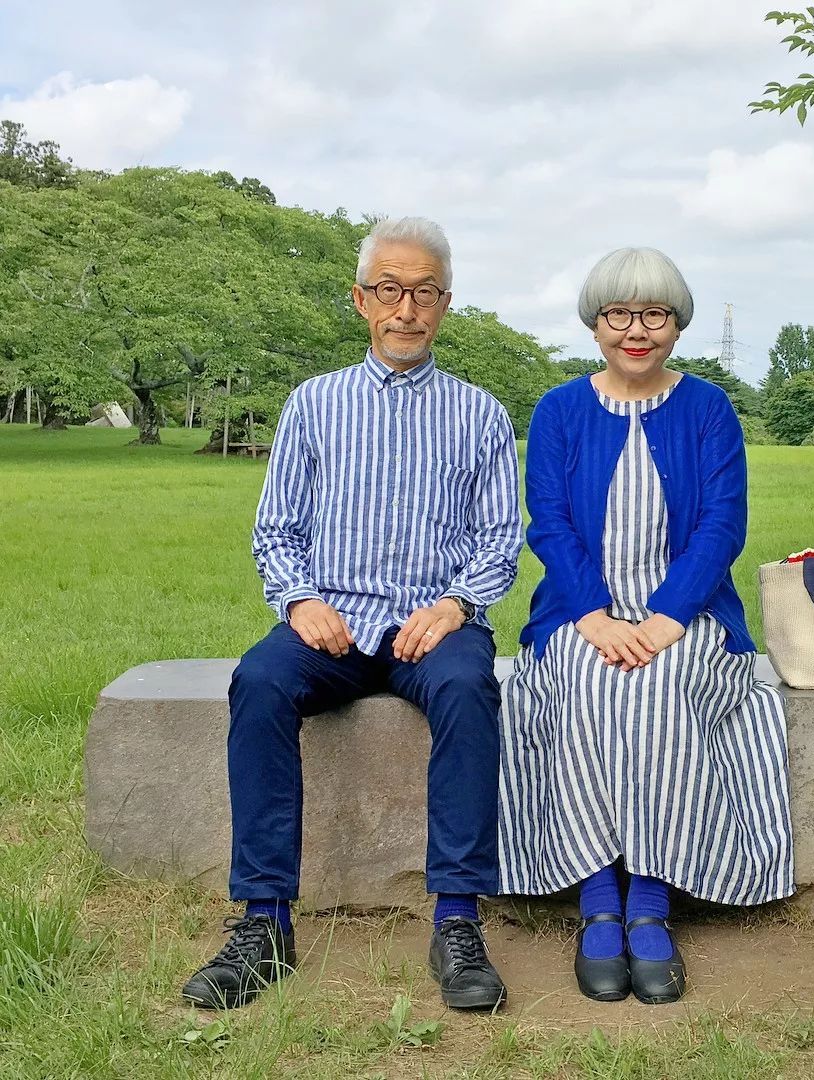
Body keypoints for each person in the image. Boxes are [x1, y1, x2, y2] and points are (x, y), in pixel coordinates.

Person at [181, 217, 523, 1012]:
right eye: (391, 290)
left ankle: (458, 920)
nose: (408, 308)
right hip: (327, 625)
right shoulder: (313, 404)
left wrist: (456, 603)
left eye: (426, 293)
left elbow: (500, 538)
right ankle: (263, 922)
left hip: (431, 626)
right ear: (361, 300)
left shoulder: (479, 415)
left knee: (471, 691)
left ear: (445, 304)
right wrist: (299, 600)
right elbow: (277, 527)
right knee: (260, 683)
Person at [498, 247, 794, 1005]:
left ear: (677, 325)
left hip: (687, 618)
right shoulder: (560, 410)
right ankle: (598, 898)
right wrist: (593, 618)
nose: (637, 330)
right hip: (579, 613)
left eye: (654, 314)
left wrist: (667, 619)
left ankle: (651, 902)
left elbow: (723, 524)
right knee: (591, 686)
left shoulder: (709, 409)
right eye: (619, 314)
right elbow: (550, 526)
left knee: (659, 690)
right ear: (595, 324)